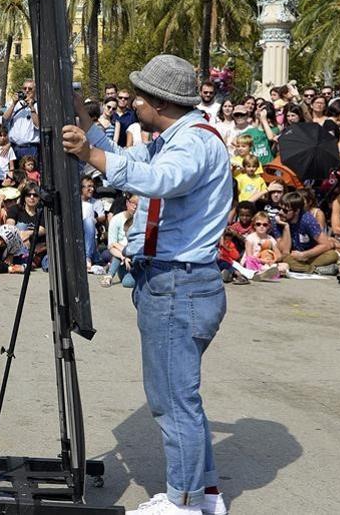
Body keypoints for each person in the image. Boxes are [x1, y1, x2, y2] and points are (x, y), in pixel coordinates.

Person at [61, 54, 232, 515]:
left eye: (140, 94)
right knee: (181, 398)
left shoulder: (192, 145)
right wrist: (84, 120)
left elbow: (157, 180)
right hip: (178, 282)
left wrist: (90, 155)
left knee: (173, 401)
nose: (133, 101)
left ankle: (184, 503)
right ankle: (205, 494)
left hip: (179, 284)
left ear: (160, 101)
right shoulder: (176, 137)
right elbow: (125, 158)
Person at [276, 191, 338, 274]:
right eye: (279, 208)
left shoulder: (308, 220)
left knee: (332, 255)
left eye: (285, 210)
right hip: (292, 256)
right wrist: (286, 227)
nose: (280, 212)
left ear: (296, 211)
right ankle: (315, 270)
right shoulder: (277, 221)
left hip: (309, 255)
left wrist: (304, 255)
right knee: (286, 259)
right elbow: (285, 251)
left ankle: (303, 267)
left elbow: (325, 244)